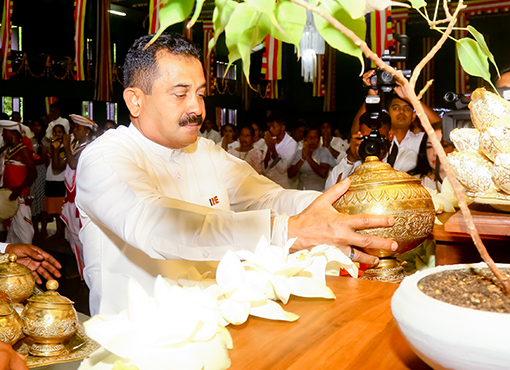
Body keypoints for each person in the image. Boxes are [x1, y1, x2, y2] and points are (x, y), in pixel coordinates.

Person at [76, 33, 397, 316]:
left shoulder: (205, 152)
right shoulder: (104, 158)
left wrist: (351, 207)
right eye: (180, 94)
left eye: (200, 93)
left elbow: (269, 197)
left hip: (215, 329)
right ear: (134, 100)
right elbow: (158, 223)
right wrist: (287, 231)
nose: (197, 108)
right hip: (137, 345)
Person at [60, 114, 96, 279]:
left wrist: (66, 145)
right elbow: (57, 165)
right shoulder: (75, 147)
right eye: (74, 127)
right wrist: (57, 148)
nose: (74, 130)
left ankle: (88, 274)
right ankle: (81, 271)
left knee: (82, 239)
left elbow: (73, 164)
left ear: (87, 132)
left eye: (78, 128)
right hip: (69, 200)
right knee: (74, 240)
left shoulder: (89, 148)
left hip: (79, 201)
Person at [0, 121, 36, 244]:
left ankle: (29, 259)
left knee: (25, 235)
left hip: (20, 198)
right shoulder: (8, 150)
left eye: (5, 132)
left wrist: (19, 189)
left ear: (12, 134)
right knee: (12, 234)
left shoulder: (23, 151)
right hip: (9, 197)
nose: (3, 135)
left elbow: (33, 173)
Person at [288, 125, 336, 191]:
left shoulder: (324, 151)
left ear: (319, 139)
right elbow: (290, 174)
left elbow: (323, 173)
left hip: (318, 192)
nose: (312, 139)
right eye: (310, 137)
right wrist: (302, 159)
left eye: (315, 137)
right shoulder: (299, 152)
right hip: (301, 191)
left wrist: (308, 158)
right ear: (305, 139)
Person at [262, 112, 297, 189]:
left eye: (274, 127)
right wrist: (268, 148)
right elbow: (264, 168)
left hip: (282, 187)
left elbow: (282, 169)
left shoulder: (291, 143)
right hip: (268, 184)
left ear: (283, 127)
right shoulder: (270, 139)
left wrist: (273, 149)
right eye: (269, 127)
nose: (271, 130)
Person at [44, 124, 67, 238]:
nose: (57, 134)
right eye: (54, 132)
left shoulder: (65, 148)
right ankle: (58, 231)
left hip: (60, 179)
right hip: (50, 178)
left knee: (59, 209)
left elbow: (57, 167)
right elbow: (48, 163)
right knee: (53, 208)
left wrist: (56, 149)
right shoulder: (53, 146)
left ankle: (61, 233)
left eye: (59, 132)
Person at [28, 120, 47, 235]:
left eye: (38, 125)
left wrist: (30, 162)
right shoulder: (29, 141)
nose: (36, 128)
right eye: (34, 125)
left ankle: (43, 229)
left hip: (41, 171)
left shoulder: (45, 140)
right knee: (33, 200)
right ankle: (35, 229)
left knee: (42, 201)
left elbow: (44, 159)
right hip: (31, 171)